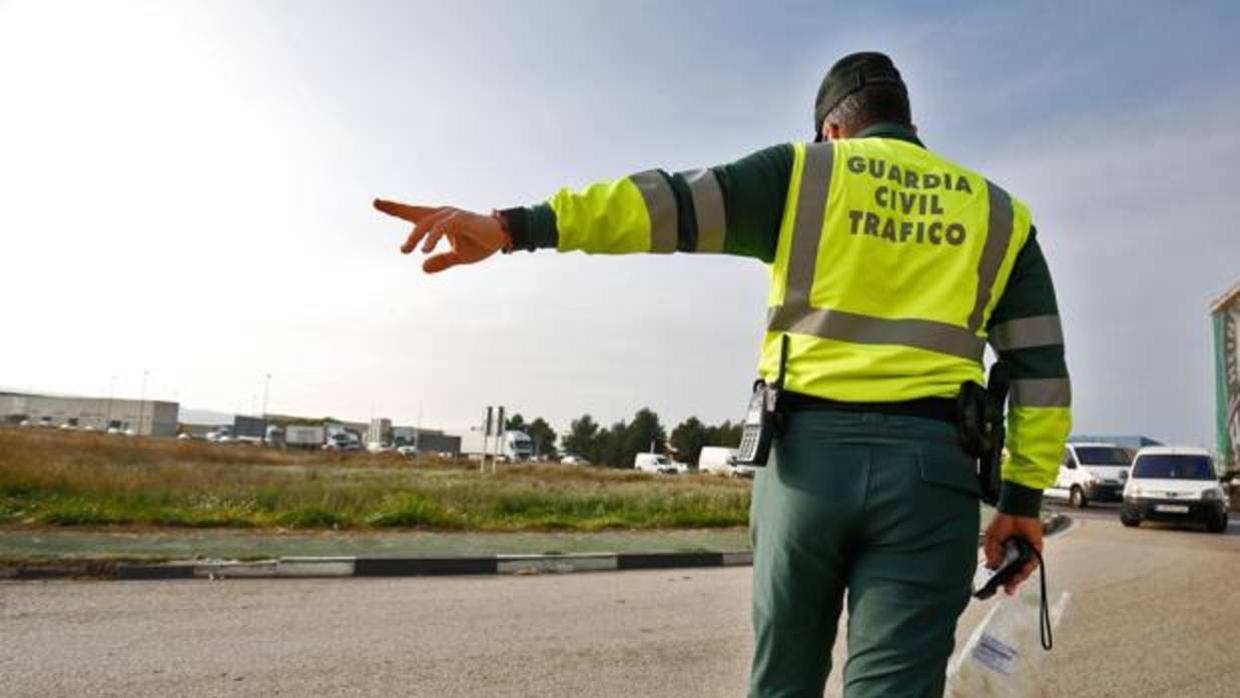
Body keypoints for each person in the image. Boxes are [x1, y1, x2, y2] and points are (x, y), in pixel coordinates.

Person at [374, 51, 1070, 698]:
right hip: (933, 477)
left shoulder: (804, 173)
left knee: (783, 679)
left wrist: (513, 226)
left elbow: (661, 204)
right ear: (910, 123)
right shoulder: (999, 214)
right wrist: (1022, 501)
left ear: (833, 129)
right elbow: (1039, 372)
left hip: (804, 469)